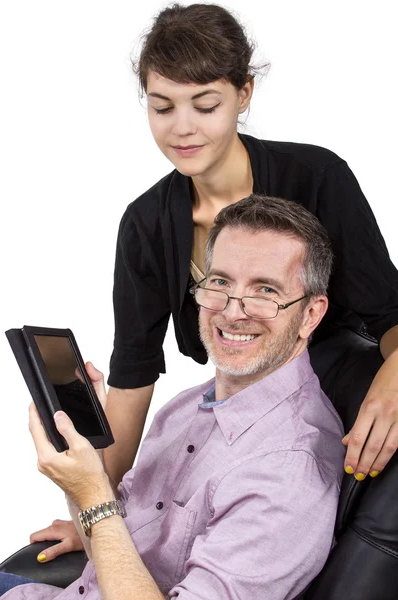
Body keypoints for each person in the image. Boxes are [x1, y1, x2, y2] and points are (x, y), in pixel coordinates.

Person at [31, 2, 398, 561]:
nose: (182, 128)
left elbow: (391, 313)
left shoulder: (318, 176)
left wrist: (395, 380)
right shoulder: (146, 223)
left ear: (243, 95)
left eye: (205, 105)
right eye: (161, 107)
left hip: (322, 414)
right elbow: (132, 377)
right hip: (242, 414)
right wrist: (95, 509)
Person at [0, 195, 345, 599]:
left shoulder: (288, 472)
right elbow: (107, 547)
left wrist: (93, 492)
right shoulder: (187, 407)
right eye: (220, 282)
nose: (233, 312)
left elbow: (103, 515)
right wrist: (83, 467)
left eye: (265, 290)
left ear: (310, 315)